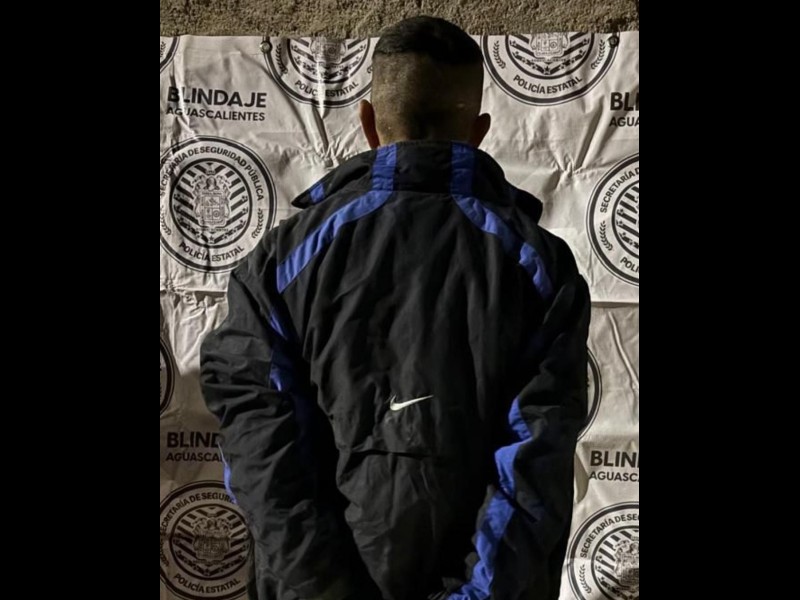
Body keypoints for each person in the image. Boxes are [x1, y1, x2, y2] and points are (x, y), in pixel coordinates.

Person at [200, 15, 590, 600]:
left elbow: (263, 458)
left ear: (366, 122)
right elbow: (536, 464)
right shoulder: (540, 267)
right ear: (479, 131)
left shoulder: (282, 260)